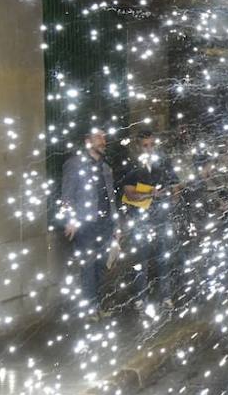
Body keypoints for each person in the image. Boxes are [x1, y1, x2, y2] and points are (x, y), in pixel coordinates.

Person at [119, 128, 180, 306]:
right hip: (140, 219)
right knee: (141, 258)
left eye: (152, 145)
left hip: (162, 217)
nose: (150, 149)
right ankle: (140, 298)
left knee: (163, 257)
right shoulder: (131, 165)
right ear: (139, 147)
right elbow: (129, 193)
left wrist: (170, 195)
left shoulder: (164, 163)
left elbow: (176, 187)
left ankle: (166, 296)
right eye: (145, 146)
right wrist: (150, 194)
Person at [59, 129, 116, 308]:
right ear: (87, 141)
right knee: (88, 265)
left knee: (101, 265)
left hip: (105, 223)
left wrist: (116, 226)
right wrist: (70, 220)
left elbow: (111, 198)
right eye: (98, 137)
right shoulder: (74, 164)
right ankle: (91, 308)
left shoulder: (106, 168)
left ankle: (97, 303)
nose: (103, 141)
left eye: (104, 137)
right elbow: (67, 195)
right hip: (85, 224)